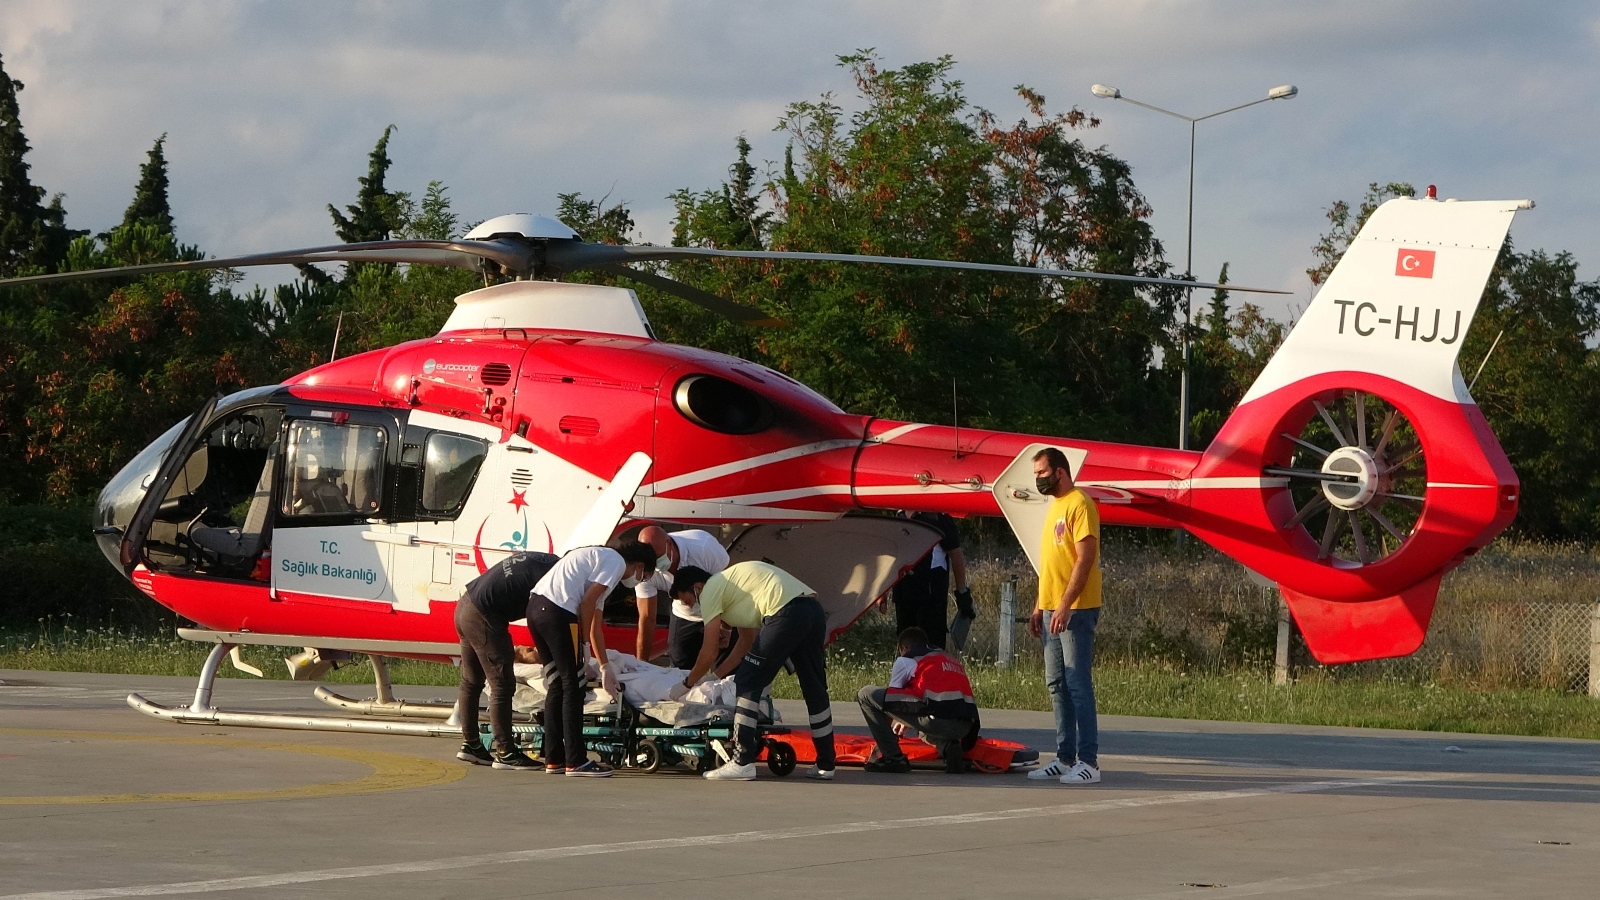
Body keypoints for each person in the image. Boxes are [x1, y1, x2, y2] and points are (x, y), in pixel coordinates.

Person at [670, 561, 836, 782]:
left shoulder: (710, 590)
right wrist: (716, 676)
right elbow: (746, 642)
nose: (692, 609)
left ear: (697, 588)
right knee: (814, 687)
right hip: (811, 610)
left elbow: (708, 650)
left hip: (784, 611)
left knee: (747, 681)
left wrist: (687, 683)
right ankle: (826, 763)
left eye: (689, 602)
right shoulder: (734, 587)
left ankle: (742, 761)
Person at [528, 540, 658, 777]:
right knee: (574, 685)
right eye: (644, 575)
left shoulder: (599, 559)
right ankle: (576, 760)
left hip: (537, 608)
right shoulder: (616, 562)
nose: (639, 581)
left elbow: (595, 622)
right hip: (558, 612)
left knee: (557, 683)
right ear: (639, 566)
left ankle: (554, 758)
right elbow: (587, 604)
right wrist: (583, 647)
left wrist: (604, 665)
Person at [1025, 447, 1103, 785]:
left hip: (1076, 609)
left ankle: (1089, 762)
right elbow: (1050, 565)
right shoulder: (1053, 507)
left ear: (1059, 471)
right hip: (1051, 608)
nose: (1037, 479)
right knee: (1056, 684)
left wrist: (1066, 604)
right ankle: (1064, 756)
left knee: (1077, 684)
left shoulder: (1080, 504)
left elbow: (1084, 559)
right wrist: (1039, 606)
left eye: (1041, 473)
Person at [454, 550, 559, 770]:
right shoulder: (554, 578)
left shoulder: (544, 560)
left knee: (471, 681)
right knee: (502, 684)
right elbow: (541, 618)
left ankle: (471, 744)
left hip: (465, 605)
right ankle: (506, 751)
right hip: (484, 616)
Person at [857, 627, 980, 774]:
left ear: (904, 648)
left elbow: (890, 701)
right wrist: (905, 720)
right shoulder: (949, 659)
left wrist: (886, 741)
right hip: (965, 727)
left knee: (865, 694)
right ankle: (949, 747)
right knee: (923, 732)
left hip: (935, 720)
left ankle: (894, 759)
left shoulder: (908, 659)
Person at [634, 525, 730, 666]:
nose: (654, 564)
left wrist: (726, 627)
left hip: (721, 610)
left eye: (657, 557)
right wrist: (641, 665)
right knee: (679, 671)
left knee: (728, 669)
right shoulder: (644, 570)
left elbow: (730, 587)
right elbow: (647, 618)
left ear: (669, 544)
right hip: (684, 615)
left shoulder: (704, 547)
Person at [890, 511, 971, 651]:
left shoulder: (939, 518)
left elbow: (956, 554)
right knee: (905, 643)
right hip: (903, 594)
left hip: (930, 596)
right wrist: (882, 593)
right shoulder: (899, 518)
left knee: (932, 645)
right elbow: (892, 555)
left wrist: (962, 592)